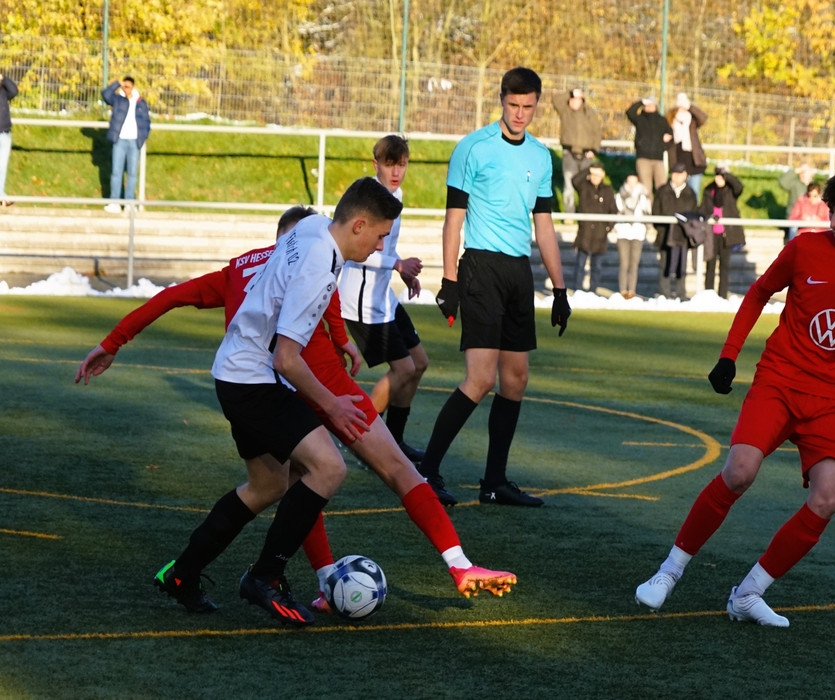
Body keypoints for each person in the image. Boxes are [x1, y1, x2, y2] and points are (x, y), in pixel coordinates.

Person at [75, 201, 517, 622]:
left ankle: (184, 572)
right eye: (380, 235)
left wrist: (113, 342)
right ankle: (270, 576)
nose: (382, 245)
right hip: (293, 378)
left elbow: (174, 295)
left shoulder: (263, 257)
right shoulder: (312, 254)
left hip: (252, 377)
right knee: (335, 469)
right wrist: (335, 375)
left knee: (271, 484)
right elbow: (307, 315)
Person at [635, 167, 835, 627]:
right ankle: (668, 572)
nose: (834, 222)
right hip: (779, 382)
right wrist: (729, 355)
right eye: (830, 212)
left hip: (831, 400)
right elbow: (759, 293)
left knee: (827, 499)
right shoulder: (803, 249)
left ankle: (748, 594)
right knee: (739, 472)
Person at [422, 66, 571, 508]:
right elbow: (453, 220)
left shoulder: (542, 157)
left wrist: (560, 290)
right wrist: (449, 280)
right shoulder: (473, 147)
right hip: (480, 269)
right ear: (501, 100)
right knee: (481, 377)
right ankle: (425, 472)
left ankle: (494, 483)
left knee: (516, 379)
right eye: (513, 105)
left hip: (518, 272)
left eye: (528, 106)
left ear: (537, 104)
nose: (520, 113)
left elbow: (544, 227)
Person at [339, 135, 427, 464]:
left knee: (419, 363)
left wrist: (401, 269)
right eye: (390, 165)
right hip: (362, 303)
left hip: (382, 297)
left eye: (402, 165)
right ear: (375, 164)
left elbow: (385, 247)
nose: (396, 172)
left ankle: (396, 441)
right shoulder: (367, 199)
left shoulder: (395, 196)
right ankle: (360, 442)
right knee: (403, 369)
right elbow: (357, 251)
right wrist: (397, 265)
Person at [102, 76, 151, 213]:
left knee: (132, 173)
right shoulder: (118, 100)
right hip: (120, 140)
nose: (126, 89)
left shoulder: (140, 102)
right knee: (116, 172)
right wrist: (117, 84)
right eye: (124, 86)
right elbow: (105, 94)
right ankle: (115, 202)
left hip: (134, 141)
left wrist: (143, 136)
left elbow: (146, 121)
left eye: (128, 86)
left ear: (133, 87)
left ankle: (130, 203)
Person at [570, 160, 618, 293]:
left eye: (598, 175)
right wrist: (588, 169)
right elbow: (574, 180)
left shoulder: (607, 190)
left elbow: (613, 210)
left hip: (600, 234)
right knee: (580, 264)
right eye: (593, 175)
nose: (595, 178)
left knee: (597, 266)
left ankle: (593, 290)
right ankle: (577, 289)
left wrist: (608, 228)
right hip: (585, 232)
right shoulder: (584, 186)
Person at [652, 162, 698, 300]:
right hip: (665, 234)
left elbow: (693, 213)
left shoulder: (690, 193)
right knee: (664, 264)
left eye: (680, 174)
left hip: (683, 236)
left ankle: (680, 293)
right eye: (675, 173)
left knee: (681, 265)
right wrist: (662, 228)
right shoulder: (662, 191)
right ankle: (664, 293)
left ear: (685, 175)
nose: (677, 176)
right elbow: (656, 211)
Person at [553, 87, 603, 214]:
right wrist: (570, 93)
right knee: (569, 185)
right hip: (569, 154)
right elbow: (556, 100)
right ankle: (569, 215)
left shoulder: (589, 113)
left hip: (587, 154)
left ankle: (584, 212)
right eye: (572, 99)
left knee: (585, 185)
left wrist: (594, 149)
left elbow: (597, 131)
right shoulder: (565, 111)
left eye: (577, 99)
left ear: (582, 100)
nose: (574, 102)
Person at [701, 166, 745, 299]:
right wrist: (710, 216)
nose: (718, 179)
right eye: (717, 176)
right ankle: (708, 295)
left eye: (721, 177)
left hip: (726, 235)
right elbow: (703, 208)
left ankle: (722, 295)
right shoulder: (709, 190)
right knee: (710, 265)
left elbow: (739, 187)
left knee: (724, 266)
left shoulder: (730, 190)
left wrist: (727, 175)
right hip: (712, 235)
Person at [625, 95, 671, 200]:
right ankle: (647, 208)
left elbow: (671, 135)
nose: (649, 107)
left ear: (656, 106)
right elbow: (629, 112)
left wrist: (665, 143)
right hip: (643, 158)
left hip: (658, 158)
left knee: (662, 187)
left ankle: (661, 207)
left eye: (651, 105)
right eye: (647, 105)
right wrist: (641, 102)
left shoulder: (662, 120)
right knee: (646, 188)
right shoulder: (639, 119)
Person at [614, 173, 651, 299]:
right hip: (623, 232)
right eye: (629, 182)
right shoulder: (619, 195)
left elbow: (647, 212)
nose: (631, 185)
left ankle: (632, 290)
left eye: (634, 182)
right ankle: (623, 290)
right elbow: (617, 211)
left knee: (634, 264)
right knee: (624, 263)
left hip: (638, 232)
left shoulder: (644, 196)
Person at [665, 93, 708, 200]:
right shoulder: (670, 119)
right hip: (679, 162)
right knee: (678, 193)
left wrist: (690, 107)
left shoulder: (692, 119)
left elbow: (703, 118)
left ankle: (694, 210)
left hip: (694, 163)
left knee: (694, 192)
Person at [778, 163, 816, 244]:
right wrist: (796, 171)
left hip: (811, 220)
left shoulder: (816, 187)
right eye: (802, 172)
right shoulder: (794, 184)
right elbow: (782, 182)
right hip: (794, 218)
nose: (804, 174)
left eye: (806, 171)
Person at [0, 71, 18, 208]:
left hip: (4, 132)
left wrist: (4, 79)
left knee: (2, 166)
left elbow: (14, 91)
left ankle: (1, 194)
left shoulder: (3, 90)